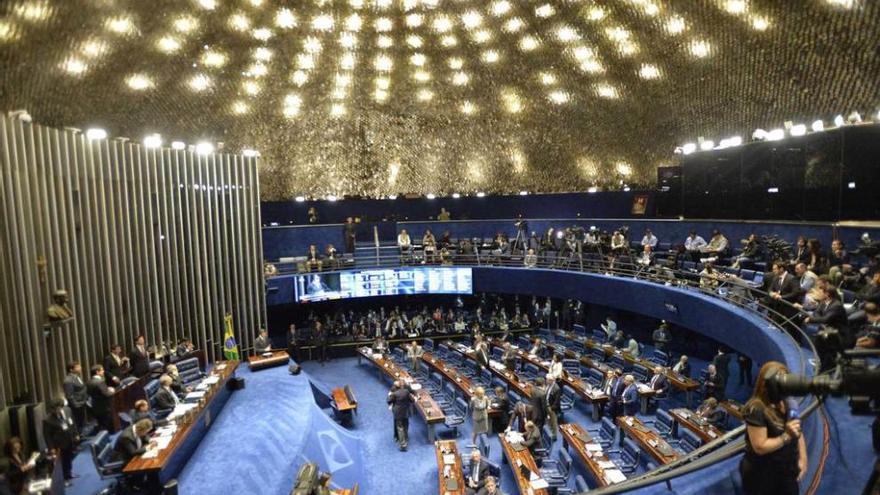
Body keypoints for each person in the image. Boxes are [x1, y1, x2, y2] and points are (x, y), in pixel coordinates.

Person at [740, 362, 807, 495]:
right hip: (762, 476)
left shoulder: (789, 402)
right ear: (767, 385)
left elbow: (798, 430)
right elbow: (760, 447)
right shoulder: (756, 408)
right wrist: (786, 436)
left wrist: (803, 460)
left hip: (787, 472)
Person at [42, 398, 80, 484]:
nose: (56, 410)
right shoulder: (48, 420)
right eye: (53, 409)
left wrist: (76, 434)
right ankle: (63, 480)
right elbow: (47, 435)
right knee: (61, 463)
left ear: (61, 406)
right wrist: (51, 448)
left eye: (58, 408)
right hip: (59, 444)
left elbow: (73, 423)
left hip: (70, 440)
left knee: (69, 458)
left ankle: (69, 474)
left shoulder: (68, 410)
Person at [387, 380, 414, 451]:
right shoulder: (406, 392)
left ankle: (403, 445)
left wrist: (389, 394)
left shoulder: (394, 394)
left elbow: (388, 401)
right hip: (406, 411)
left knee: (400, 427)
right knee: (406, 425)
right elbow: (412, 400)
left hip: (398, 413)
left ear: (395, 387)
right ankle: (406, 438)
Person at [87, 364, 116, 431]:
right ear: (97, 372)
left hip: (96, 406)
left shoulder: (89, 381)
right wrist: (112, 391)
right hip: (105, 407)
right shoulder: (100, 382)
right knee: (108, 426)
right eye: (102, 370)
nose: (103, 371)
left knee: (101, 424)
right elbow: (106, 394)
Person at [63, 361, 88, 430]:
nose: (80, 368)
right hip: (77, 405)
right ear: (71, 370)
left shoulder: (77, 377)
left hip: (82, 402)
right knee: (78, 422)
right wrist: (76, 405)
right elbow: (69, 395)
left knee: (82, 421)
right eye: (78, 367)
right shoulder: (68, 380)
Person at [545, 376, 562, 441]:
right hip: (546, 405)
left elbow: (557, 401)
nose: (546, 381)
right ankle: (549, 433)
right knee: (548, 420)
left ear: (552, 380)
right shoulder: (548, 385)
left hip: (552, 408)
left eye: (548, 380)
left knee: (554, 422)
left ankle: (554, 436)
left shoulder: (556, 388)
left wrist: (551, 408)